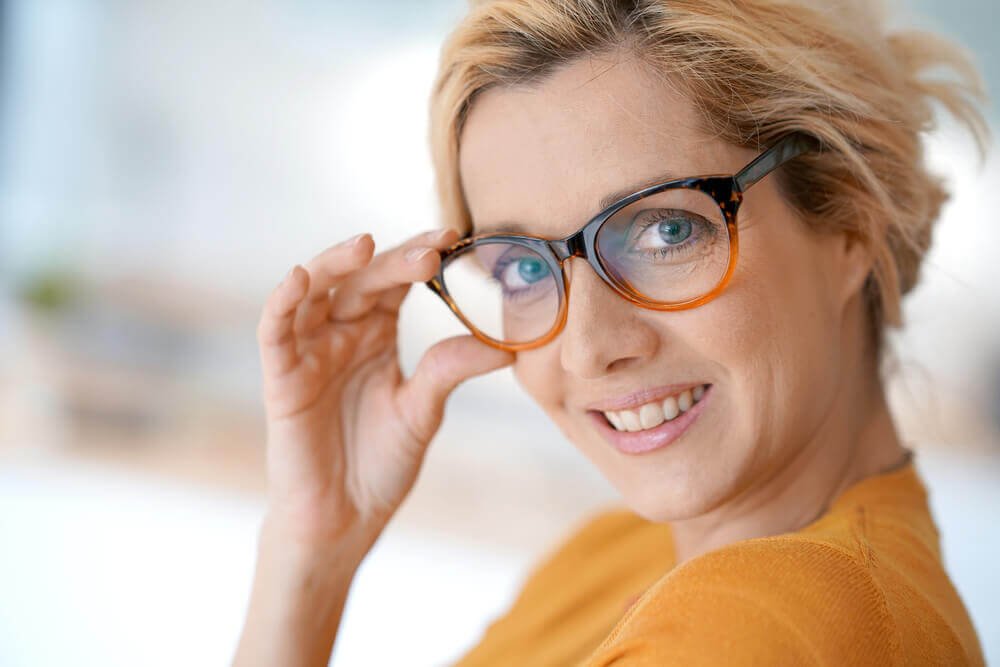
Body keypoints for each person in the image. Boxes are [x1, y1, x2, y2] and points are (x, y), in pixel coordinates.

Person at [232, 0, 990, 665]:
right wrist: (313, 544)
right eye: (524, 268)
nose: (589, 346)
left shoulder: (764, 629)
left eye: (665, 228)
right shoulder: (624, 548)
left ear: (850, 221)